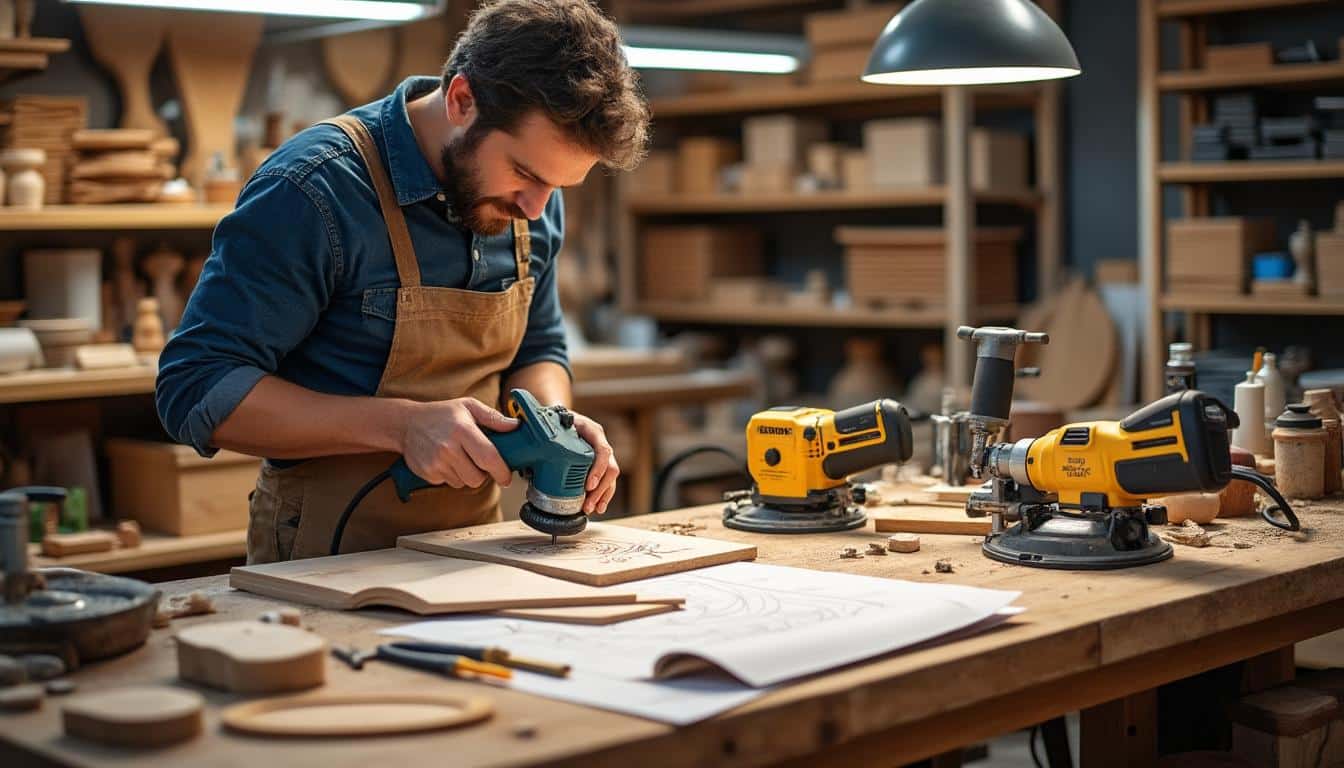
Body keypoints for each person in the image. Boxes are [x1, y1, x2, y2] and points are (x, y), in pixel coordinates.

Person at [155, 0, 650, 564]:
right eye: (526, 174)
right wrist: (403, 427)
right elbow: (194, 388)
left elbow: (538, 345)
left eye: (558, 187)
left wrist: (554, 424)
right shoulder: (316, 190)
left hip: (474, 550)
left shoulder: (529, 203)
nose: (537, 209)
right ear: (463, 101)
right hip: (325, 553)